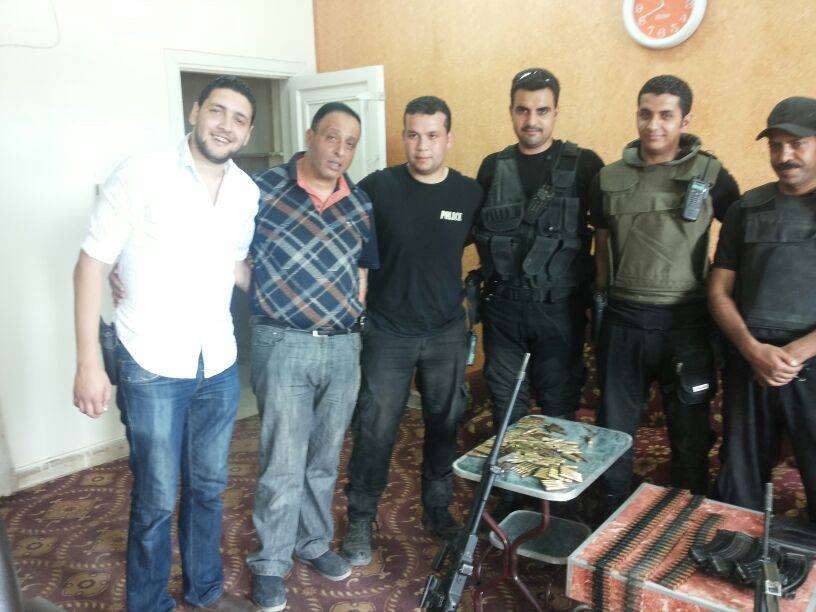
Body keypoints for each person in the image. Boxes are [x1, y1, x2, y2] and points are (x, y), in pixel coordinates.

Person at [72, 76, 259, 611]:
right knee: (155, 498)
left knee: (209, 489)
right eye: (217, 111)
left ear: (247, 133)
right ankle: (149, 604)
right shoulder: (142, 173)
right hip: (151, 362)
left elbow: (236, 266)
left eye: (239, 119)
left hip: (218, 363)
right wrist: (88, 363)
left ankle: (205, 593)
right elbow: (90, 266)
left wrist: (293, 296)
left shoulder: (246, 192)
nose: (225, 125)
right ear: (195, 113)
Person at [246, 102, 379, 611]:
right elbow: (229, 252)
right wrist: (264, 299)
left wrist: (350, 316)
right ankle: (271, 562)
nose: (340, 151)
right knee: (282, 460)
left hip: (343, 346)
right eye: (332, 137)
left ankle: (313, 543)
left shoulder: (360, 204)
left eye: (350, 143)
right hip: (284, 341)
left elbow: (362, 270)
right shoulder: (262, 190)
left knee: (324, 458)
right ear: (310, 135)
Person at [341, 96, 483, 566]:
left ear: (448, 138)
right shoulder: (378, 187)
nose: (422, 146)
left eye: (432, 135)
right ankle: (361, 517)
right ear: (404, 135)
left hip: (446, 331)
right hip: (388, 331)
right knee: (375, 426)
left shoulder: (468, 194)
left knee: (444, 422)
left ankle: (437, 508)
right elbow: (346, 240)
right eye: (413, 135)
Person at [591, 75, 741, 517]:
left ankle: (687, 518)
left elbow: (738, 240)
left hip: (686, 324)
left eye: (665, 115)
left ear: (685, 120)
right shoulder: (607, 178)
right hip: (623, 320)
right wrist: (597, 308)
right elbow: (601, 245)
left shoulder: (712, 176)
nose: (653, 125)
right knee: (613, 433)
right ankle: (609, 516)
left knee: (690, 434)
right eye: (645, 113)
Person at [474, 68, 603, 438]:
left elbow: (607, 233)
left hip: (559, 309)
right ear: (511, 111)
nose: (531, 120)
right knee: (506, 405)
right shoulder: (492, 166)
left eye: (542, 110)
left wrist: (601, 293)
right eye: (523, 110)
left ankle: (555, 478)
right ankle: (510, 477)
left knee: (559, 407)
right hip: (503, 308)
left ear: (556, 112)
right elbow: (471, 228)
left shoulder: (586, 164)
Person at [710, 96, 816, 523]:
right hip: (750, 363)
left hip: (809, 364)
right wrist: (754, 351)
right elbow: (719, 291)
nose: (784, 155)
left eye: (796, 143)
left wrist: (794, 355)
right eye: (775, 145)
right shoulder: (746, 208)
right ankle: (737, 559)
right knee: (739, 487)